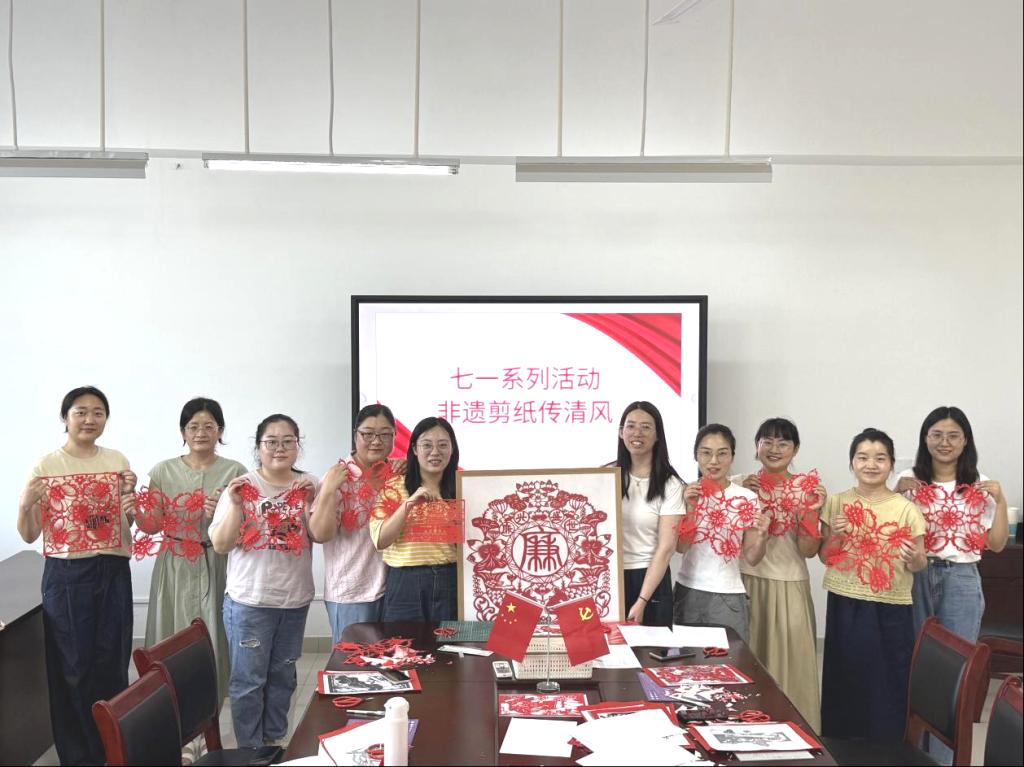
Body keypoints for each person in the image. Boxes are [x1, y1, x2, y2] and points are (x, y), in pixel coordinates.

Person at [16, 386, 138, 766]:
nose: (89, 419)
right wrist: (25, 503)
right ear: (65, 417)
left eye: (98, 412)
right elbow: (29, 534)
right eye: (81, 412)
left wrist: (130, 504)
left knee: (113, 662)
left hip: (113, 570)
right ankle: (80, 757)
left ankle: (113, 750)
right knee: (73, 668)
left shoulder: (117, 461)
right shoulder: (47, 466)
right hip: (68, 574)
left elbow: (123, 524)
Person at [209, 414, 318, 749]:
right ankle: (249, 750)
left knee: (283, 677)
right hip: (250, 602)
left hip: (294, 600)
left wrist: (312, 502)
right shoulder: (242, 486)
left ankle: (273, 744)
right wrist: (236, 505)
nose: (279, 448)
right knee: (248, 682)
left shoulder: (309, 485)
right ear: (258, 447)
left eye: (288, 441)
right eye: (271, 442)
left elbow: (319, 534)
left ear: (298, 446)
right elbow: (221, 544)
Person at [819, 428, 927, 743]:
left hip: (891, 606)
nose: (871, 464)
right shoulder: (837, 502)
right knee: (845, 677)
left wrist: (915, 558)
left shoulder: (906, 508)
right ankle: (841, 748)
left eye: (880, 458)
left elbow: (919, 563)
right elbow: (825, 556)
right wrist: (836, 535)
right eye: (863, 457)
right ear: (852, 462)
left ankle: (886, 750)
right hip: (845, 602)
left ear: (891, 464)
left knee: (888, 680)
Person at [141, 397, 247, 711]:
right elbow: (152, 524)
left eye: (209, 426)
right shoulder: (163, 471)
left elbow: (247, 527)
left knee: (215, 639)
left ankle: (210, 712)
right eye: (193, 426)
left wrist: (224, 513)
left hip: (218, 562)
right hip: (174, 564)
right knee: (171, 637)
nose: (201, 432)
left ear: (220, 430)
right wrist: (133, 510)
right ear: (183, 432)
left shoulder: (235, 472)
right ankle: (173, 712)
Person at [736, 418, 825, 731]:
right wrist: (739, 496)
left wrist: (809, 514)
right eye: (768, 441)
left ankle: (794, 729)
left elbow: (809, 550)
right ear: (756, 446)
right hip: (745, 581)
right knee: (747, 662)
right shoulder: (738, 483)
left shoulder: (807, 490)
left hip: (789, 585)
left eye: (783, 443)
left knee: (791, 666)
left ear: (795, 449)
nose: (774, 449)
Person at [895, 406, 1009, 641]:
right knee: (913, 648)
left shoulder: (979, 484)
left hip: (961, 576)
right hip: (914, 575)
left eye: (953, 436)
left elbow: (997, 545)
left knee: (958, 650)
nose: (944, 442)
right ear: (925, 438)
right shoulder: (907, 480)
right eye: (936, 435)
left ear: (965, 440)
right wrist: (895, 493)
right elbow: (888, 530)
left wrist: (1001, 501)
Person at [310, 403, 405, 645]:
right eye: (368, 434)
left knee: (389, 661)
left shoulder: (397, 475)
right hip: (351, 592)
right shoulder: (338, 476)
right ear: (356, 435)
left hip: (392, 589)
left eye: (385, 434)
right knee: (352, 663)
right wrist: (329, 490)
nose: (376, 441)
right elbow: (319, 534)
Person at [674, 424, 769, 641]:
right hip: (688, 589)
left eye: (722, 453)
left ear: (732, 456)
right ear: (695, 456)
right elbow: (681, 547)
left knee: (731, 658)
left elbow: (752, 558)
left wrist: (763, 537)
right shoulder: (685, 493)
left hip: (728, 593)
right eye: (706, 453)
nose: (714, 461)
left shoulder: (747, 497)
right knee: (687, 659)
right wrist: (691, 508)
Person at [369, 417, 459, 622]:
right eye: (427, 445)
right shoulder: (394, 486)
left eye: (443, 445)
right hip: (405, 583)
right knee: (404, 642)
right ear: (415, 449)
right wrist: (409, 504)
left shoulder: (461, 488)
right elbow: (380, 540)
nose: (435, 452)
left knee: (447, 642)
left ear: (452, 449)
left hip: (450, 581)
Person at [613, 401, 685, 626]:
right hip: (611, 578)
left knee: (650, 647)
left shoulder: (671, 485)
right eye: (631, 426)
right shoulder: (607, 475)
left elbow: (666, 548)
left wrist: (642, 600)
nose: (637, 433)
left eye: (646, 427)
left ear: (657, 436)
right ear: (621, 432)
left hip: (651, 580)